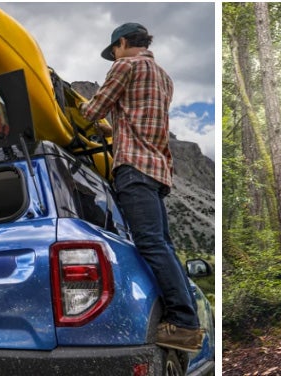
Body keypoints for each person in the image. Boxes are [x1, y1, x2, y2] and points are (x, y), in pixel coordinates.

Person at [80, 22, 202, 352]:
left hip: (133, 168)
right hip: (158, 171)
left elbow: (92, 111)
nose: (114, 57)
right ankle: (184, 317)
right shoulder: (164, 76)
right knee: (161, 244)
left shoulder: (125, 66)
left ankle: (185, 324)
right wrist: (115, 127)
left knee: (150, 244)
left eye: (114, 51)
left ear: (122, 43)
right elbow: (138, 116)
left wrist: (76, 108)